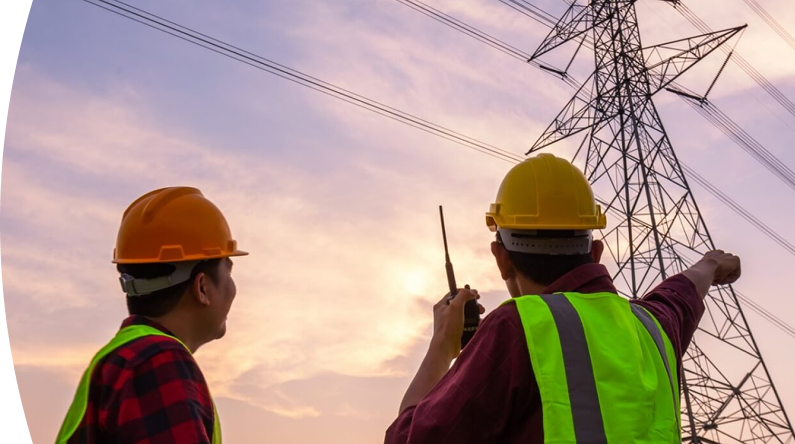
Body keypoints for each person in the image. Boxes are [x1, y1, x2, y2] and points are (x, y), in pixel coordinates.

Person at [384, 153, 741, 443]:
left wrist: (442, 346)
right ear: (596, 251)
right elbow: (681, 294)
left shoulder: (516, 329)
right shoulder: (652, 328)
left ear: (501, 258)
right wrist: (710, 264)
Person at [55, 187, 248, 444]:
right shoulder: (157, 361)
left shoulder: (129, 358)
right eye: (229, 272)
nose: (234, 288)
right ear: (202, 287)